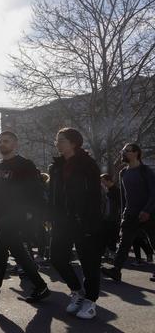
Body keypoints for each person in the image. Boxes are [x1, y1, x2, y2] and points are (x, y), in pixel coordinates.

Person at [0, 131, 50, 310]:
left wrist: (35, 213)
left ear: (15, 144)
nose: (2, 144)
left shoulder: (25, 165)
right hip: (3, 216)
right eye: (0, 141)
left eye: (6, 141)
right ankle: (41, 287)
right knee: (19, 253)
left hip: (17, 216)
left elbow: (36, 191)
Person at [48, 128, 103, 319]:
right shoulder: (55, 167)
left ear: (73, 143)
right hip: (61, 221)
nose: (57, 143)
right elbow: (52, 196)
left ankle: (90, 301)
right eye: (57, 140)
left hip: (84, 221)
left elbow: (96, 197)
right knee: (56, 257)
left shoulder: (88, 165)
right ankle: (77, 292)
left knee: (89, 264)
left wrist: (91, 223)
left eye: (61, 140)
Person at [102, 143, 155, 283]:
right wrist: (122, 216)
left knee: (154, 242)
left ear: (136, 153)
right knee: (124, 244)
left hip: (148, 214)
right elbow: (123, 196)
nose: (123, 153)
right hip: (130, 215)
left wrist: (147, 210)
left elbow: (153, 193)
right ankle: (116, 271)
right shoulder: (123, 173)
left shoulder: (145, 171)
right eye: (123, 150)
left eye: (126, 151)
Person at [101, 173, 121, 261]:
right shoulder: (107, 190)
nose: (102, 184)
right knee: (106, 235)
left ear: (108, 181)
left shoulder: (116, 191)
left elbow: (119, 205)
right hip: (107, 217)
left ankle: (112, 253)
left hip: (113, 217)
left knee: (112, 236)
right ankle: (107, 252)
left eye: (103, 181)